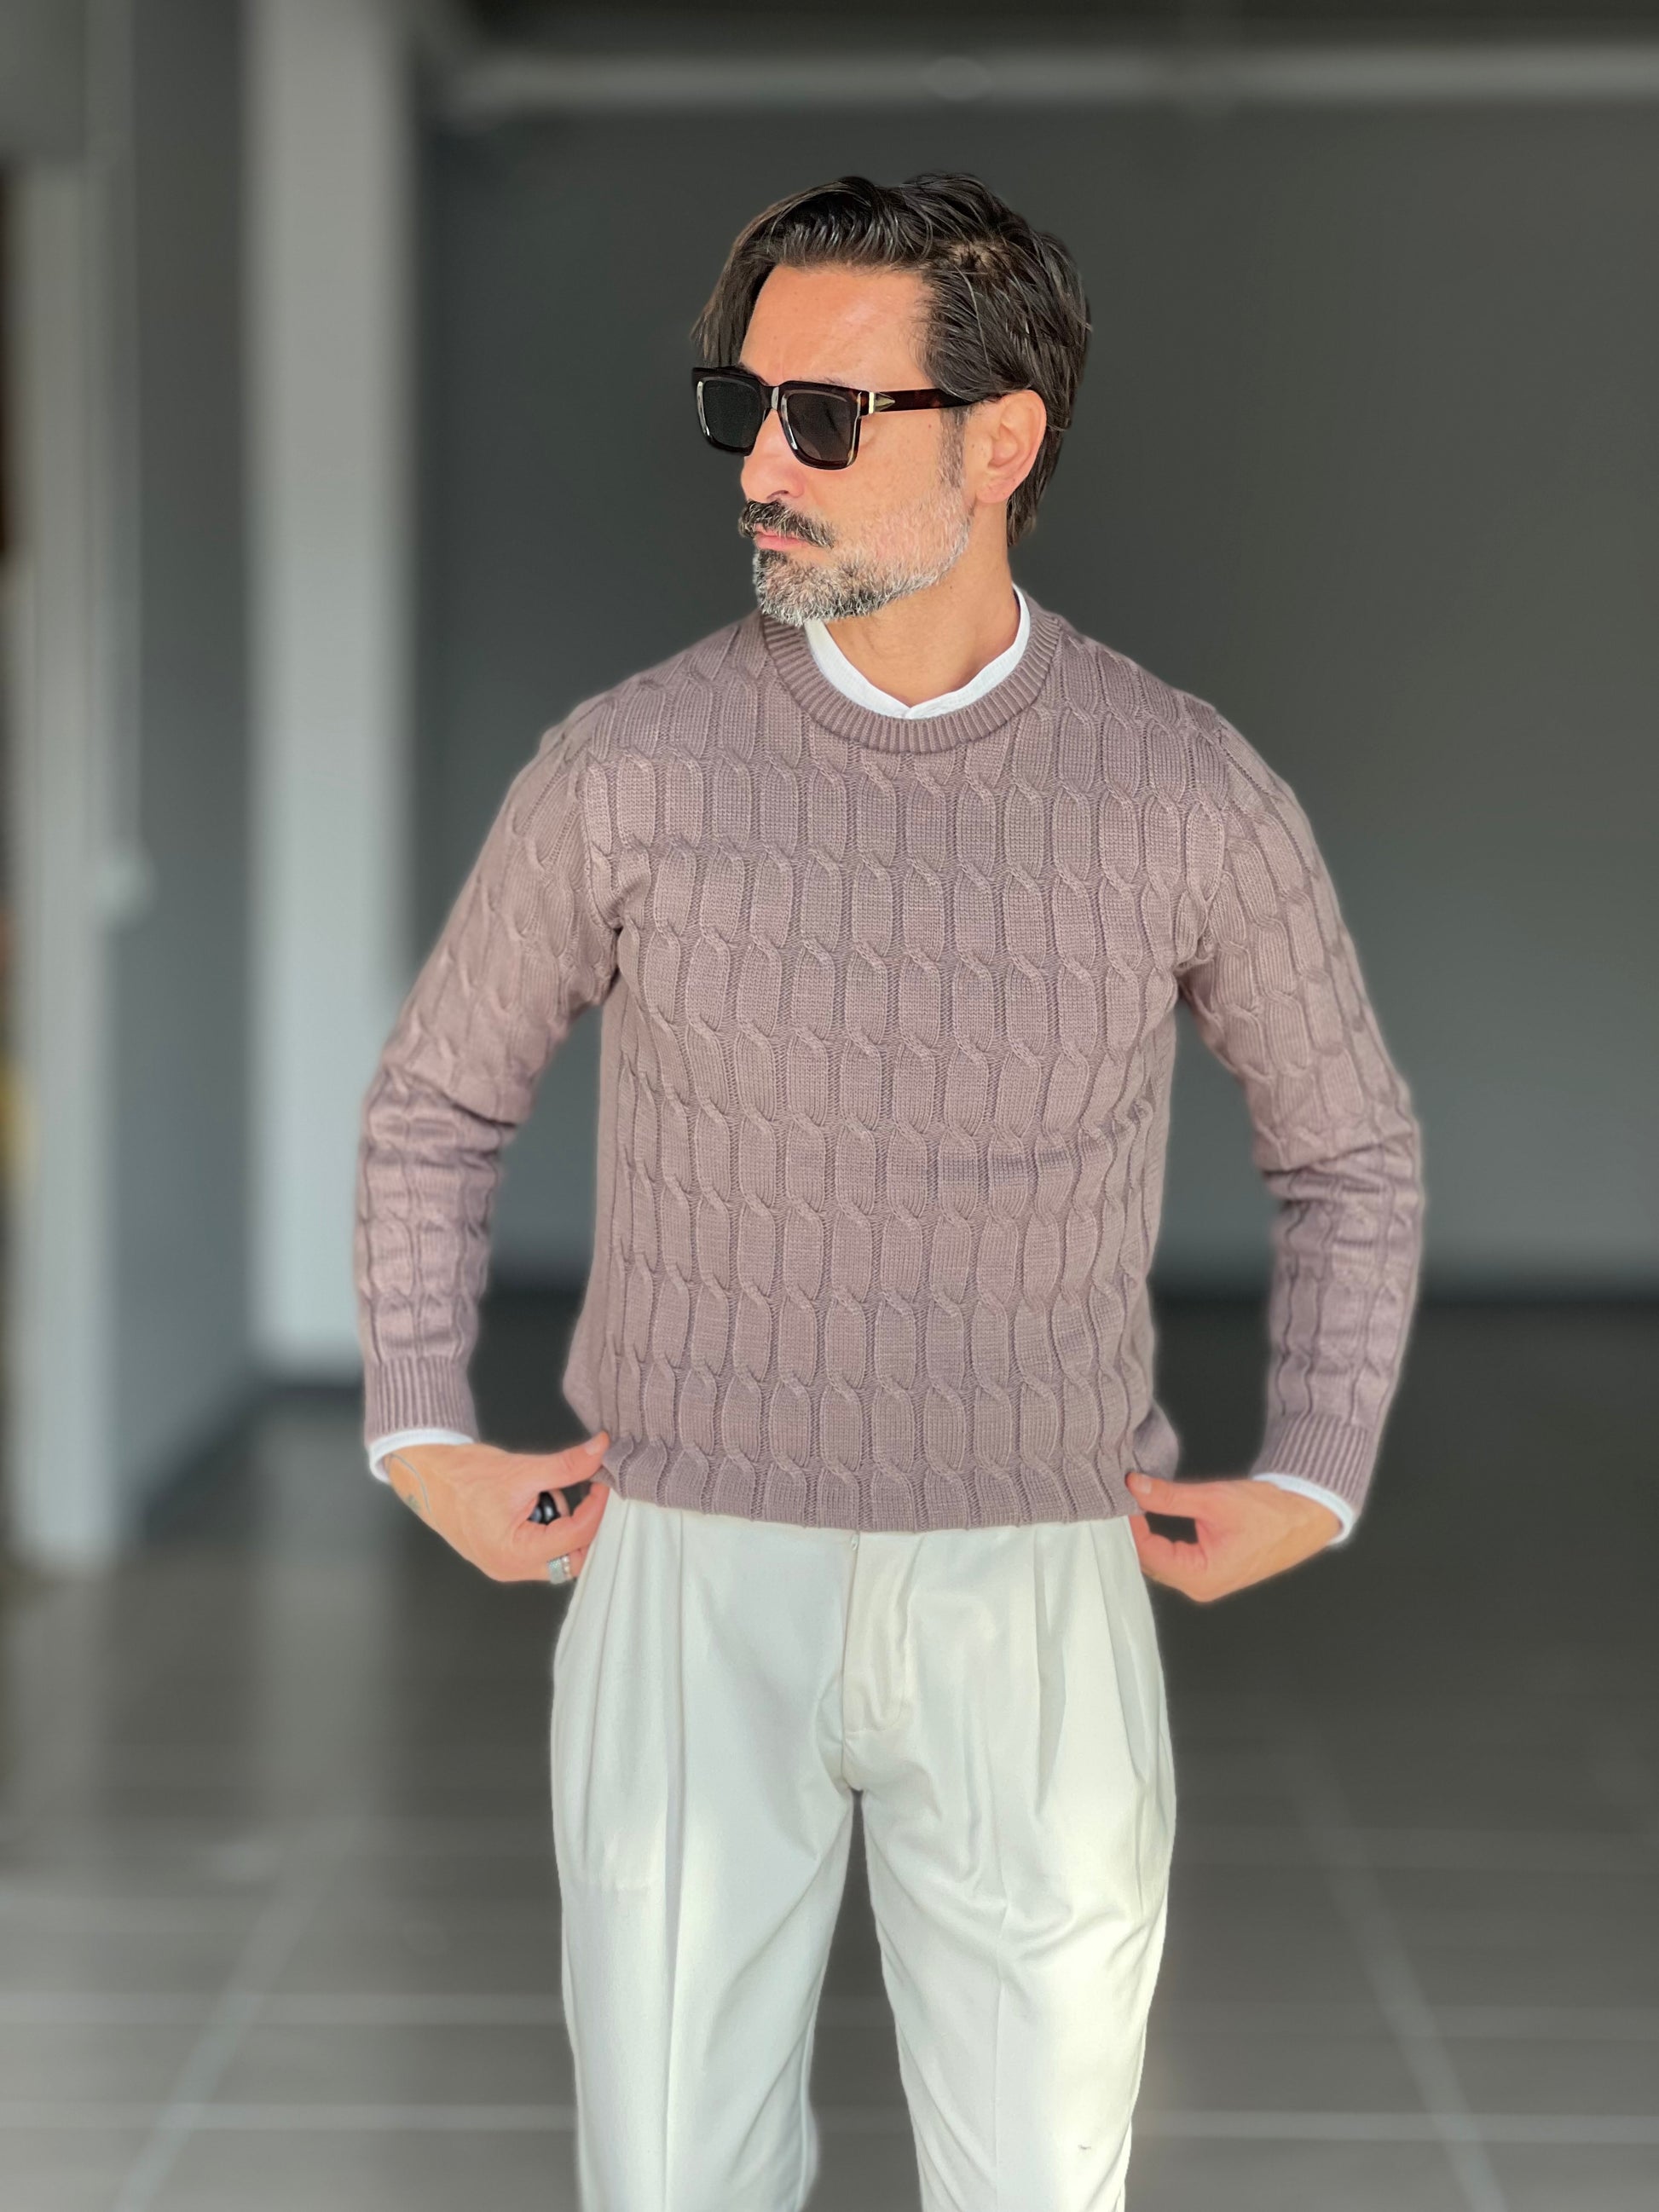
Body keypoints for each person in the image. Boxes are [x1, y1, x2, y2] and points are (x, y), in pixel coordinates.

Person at [353, 172, 1425, 2212]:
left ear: (1000, 441)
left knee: (1039, 2177)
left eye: (825, 418)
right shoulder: (624, 769)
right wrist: (423, 1428)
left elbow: (1345, 1149)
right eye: (740, 407)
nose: (762, 465)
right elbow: (437, 1101)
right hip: (682, 1563)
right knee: (669, 2174)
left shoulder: (1183, 788)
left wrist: (1318, 1463)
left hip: (1037, 1574)